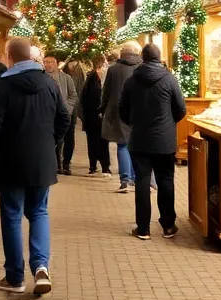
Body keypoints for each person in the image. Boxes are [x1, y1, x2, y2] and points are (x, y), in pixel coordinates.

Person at [0, 37, 70, 295]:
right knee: (39, 212)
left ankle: (15, 276)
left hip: (12, 161)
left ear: (9, 56)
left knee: (12, 216)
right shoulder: (49, 82)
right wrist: (50, 143)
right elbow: (64, 118)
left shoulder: (4, 85)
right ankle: (41, 267)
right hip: (42, 161)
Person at [119, 43, 187, 240]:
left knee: (142, 181)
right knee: (166, 180)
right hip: (164, 140)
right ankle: (168, 225)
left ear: (143, 58)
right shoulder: (169, 80)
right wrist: (168, 122)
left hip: (139, 139)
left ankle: (143, 228)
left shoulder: (132, 81)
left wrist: (133, 123)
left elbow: (122, 109)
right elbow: (181, 108)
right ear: (159, 58)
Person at [100, 43, 141, 193]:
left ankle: (125, 179)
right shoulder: (141, 67)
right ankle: (137, 178)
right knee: (136, 146)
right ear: (137, 52)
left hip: (118, 111)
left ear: (121, 54)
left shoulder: (113, 69)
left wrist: (102, 108)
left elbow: (106, 91)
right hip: (139, 112)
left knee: (123, 145)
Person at [43, 55, 79, 175]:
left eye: (51, 62)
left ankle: (66, 164)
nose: (48, 65)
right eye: (46, 62)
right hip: (49, 115)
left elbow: (73, 95)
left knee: (69, 139)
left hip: (65, 114)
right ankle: (57, 164)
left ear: (56, 63)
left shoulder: (66, 78)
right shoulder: (41, 78)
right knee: (56, 140)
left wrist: (67, 109)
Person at [80, 56, 110, 177]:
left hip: (92, 116)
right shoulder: (95, 80)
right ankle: (102, 166)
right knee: (100, 142)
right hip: (96, 116)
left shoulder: (90, 78)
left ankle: (95, 166)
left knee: (94, 141)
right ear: (100, 66)